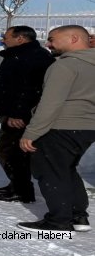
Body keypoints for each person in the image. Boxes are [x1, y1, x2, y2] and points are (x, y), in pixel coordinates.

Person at [17, 25, 95, 233]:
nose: (48, 44)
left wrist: (31, 133)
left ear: (74, 38)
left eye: (52, 39)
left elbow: (50, 103)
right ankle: (79, 216)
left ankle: (58, 221)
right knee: (67, 170)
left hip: (60, 127)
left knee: (50, 172)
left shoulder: (64, 66)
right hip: (87, 128)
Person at [0, 26, 54, 203]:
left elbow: (30, 89)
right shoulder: (19, 54)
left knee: (11, 152)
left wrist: (18, 114)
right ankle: (16, 185)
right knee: (10, 152)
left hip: (19, 116)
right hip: (11, 112)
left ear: (20, 38)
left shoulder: (33, 57)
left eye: (6, 37)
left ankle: (22, 190)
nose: (3, 40)